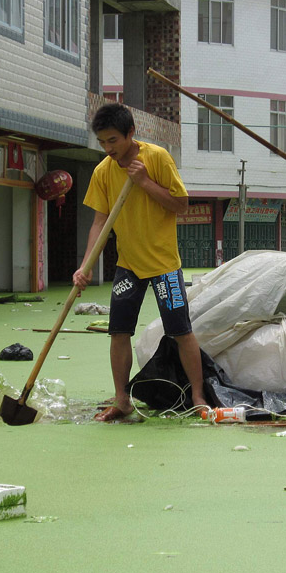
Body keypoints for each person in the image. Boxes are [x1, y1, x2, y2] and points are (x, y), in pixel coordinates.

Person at [73, 103, 207, 421]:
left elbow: (181, 205)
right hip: (128, 266)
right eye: (102, 142)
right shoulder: (103, 171)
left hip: (164, 265)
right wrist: (85, 265)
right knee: (119, 332)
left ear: (131, 133)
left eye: (113, 140)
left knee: (181, 331)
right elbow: (99, 222)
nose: (108, 149)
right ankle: (122, 400)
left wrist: (145, 181)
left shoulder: (157, 158)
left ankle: (198, 396)